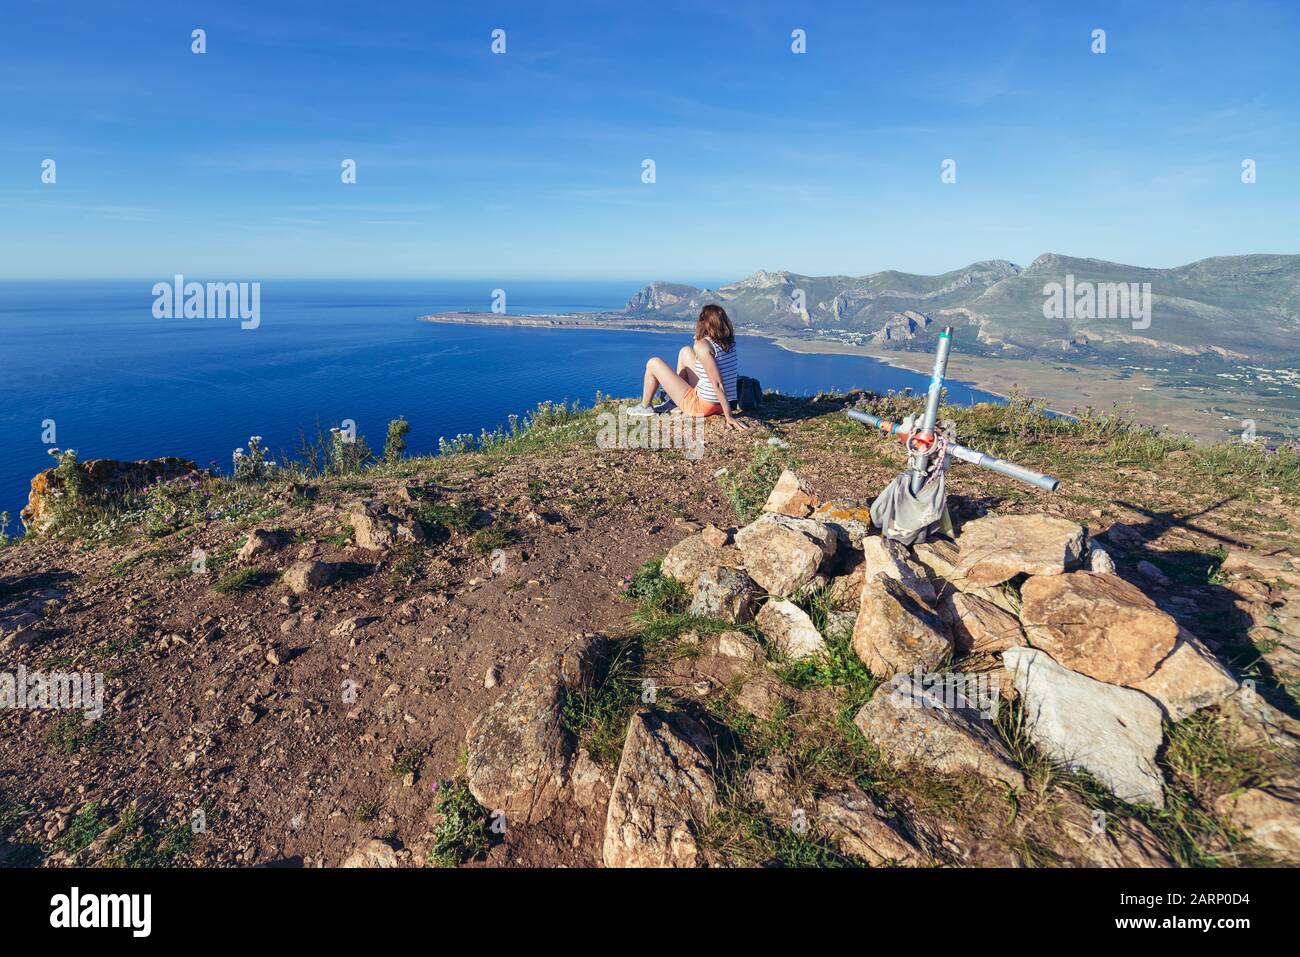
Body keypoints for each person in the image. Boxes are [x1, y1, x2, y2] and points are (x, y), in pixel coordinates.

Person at [627, 304, 747, 430]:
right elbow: (709, 363)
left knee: (653, 363)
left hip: (702, 406)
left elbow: (717, 384)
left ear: (704, 323)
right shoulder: (729, 343)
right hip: (718, 403)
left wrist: (729, 416)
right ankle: (674, 402)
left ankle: (645, 407)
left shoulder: (702, 346)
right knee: (685, 351)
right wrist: (699, 341)